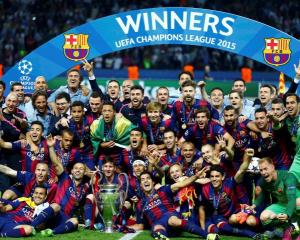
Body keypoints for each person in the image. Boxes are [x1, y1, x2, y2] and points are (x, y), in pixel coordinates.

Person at [131, 168, 219, 240]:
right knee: (157, 229)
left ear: (153, 182)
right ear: (141, 185)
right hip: (157, 223)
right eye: (143, 180)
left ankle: (207, 235)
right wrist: (122, 227)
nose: (146, 181)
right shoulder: (140, 204)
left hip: (169, 215)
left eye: (148, 178)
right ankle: (162, 237)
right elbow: (140, 225)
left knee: (173, 221)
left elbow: (182, 184)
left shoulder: (163, 190)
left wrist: (196, 176)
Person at [31, 135, 90, 236]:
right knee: (56, 206)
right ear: (72, 171)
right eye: (76, 168)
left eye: (81, 169)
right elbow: (56, 163)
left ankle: (51, 232)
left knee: (75, 221)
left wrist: (94, 174)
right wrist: (51, 147)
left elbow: (97, 180)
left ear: (85, 172)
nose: (78, 170)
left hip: (65, 218)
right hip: (52, 213)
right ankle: (31, 226)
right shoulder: (65, 178)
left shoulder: (85, 187)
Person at [199, 149, 261, 239]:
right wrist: (202, 230)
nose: (214, 179)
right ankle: (248, 233)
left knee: (252, 221)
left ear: (223, 177)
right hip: (220, 216)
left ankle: (264, 230)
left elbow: (241, 171)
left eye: (217, 176)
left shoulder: (229, 183)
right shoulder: (205, 189)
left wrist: (248, 158)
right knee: (221, 228)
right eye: (212, 176)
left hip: (236, 212)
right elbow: (201, 208)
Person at [247, 157, 300, 240]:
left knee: (298, 202)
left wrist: (287, 214)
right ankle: (286, 227)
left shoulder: (287, 177)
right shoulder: (263, 181)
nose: (263, 172)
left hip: (295, 200)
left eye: (265, 169)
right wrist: (253, 206)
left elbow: (292, 199)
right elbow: (263, 194)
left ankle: (297, 229)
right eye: (261, 170)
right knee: (264, 217)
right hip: (282, 204)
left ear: (272, 167)